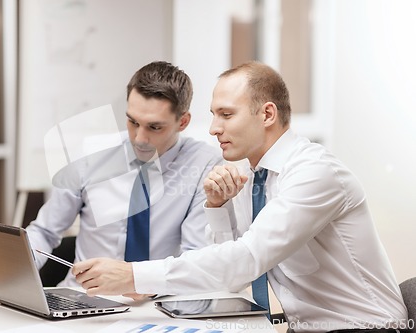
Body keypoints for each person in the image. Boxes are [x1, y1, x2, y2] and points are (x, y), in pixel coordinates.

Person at [71, 61, 409, 331]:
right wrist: (217, 208)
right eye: (213, 115)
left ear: (267, 115)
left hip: (366, 328)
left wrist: (133, 275)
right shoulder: (250, 175)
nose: (213, 128)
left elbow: (247, 259)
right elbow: (236, 276)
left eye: (226, 114)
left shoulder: (314, 173)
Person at [26, 61, 223, 289]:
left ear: (183, 122)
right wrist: (15, 271)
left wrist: (140, 281)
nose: (139, 138)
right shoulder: (90, 154)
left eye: (154, 127)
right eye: (133, 122)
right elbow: (45, 231)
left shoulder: (204, 166)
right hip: (82, 298)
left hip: (159, 303)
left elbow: (195, 258)